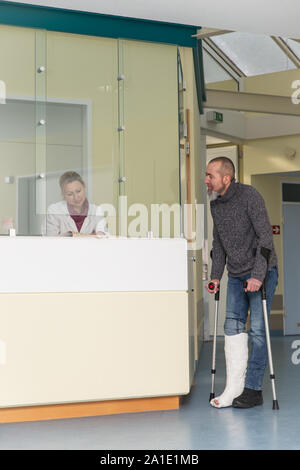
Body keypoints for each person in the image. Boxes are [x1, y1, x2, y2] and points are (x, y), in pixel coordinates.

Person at [204, 157, 278, 409]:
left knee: (258, 331)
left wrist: (258, 275)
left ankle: (253, 390)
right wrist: (215, 276)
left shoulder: (250, 196)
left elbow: (265, 238)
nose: (206, 180)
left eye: (210, 175)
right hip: (235, 274)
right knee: (232, 327)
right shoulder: (216, 205)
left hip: (261, 272)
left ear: (226, 178)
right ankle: (234, 387)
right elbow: (219, 244)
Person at [44, 171, 108, 237]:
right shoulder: (54, 210)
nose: (76, 197)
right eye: (70, 194)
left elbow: (102, 236)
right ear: (63, 195)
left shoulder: (96, 210)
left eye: (78, 191)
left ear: (84, 187)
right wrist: (90, 236)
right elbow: (51, 240)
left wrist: (75, 236)